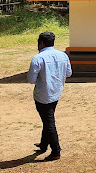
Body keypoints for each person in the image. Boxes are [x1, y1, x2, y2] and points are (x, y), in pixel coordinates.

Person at [26, 32, 72, 161]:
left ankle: (56, 150)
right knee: (47, 119)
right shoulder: (63, 55)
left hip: (42, 95)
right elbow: (69, 73)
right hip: (56, 92)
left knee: (48, 121)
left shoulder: (38, 58)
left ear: (41, 43)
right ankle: (43, 144)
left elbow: (31, 79)